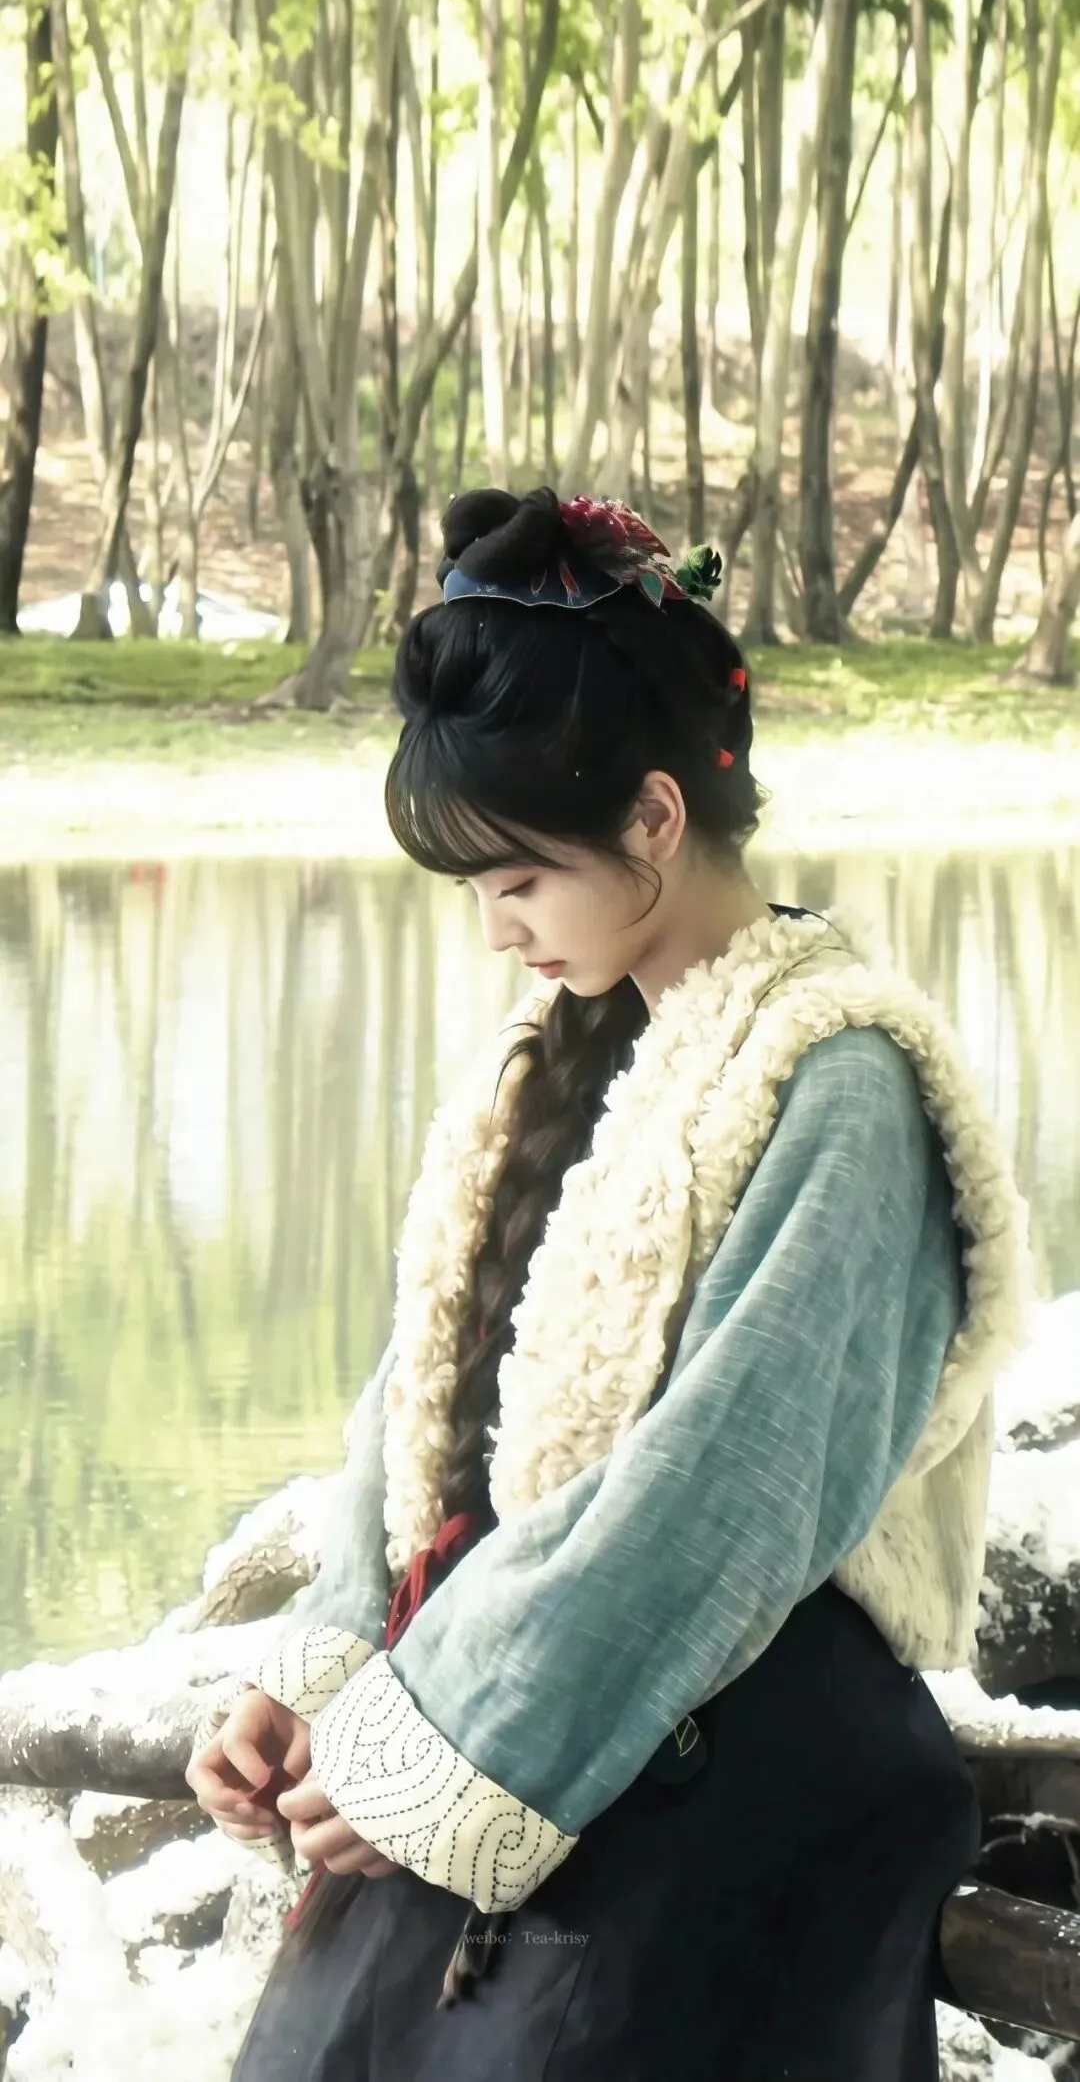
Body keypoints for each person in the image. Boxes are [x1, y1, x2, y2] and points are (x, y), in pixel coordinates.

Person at [187, 484, 1033, 2082]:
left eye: (517, 881)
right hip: (499, 1700)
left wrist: (441, 1735)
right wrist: (329, 1671)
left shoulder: (841, 1075)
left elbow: (729, 1484)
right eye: (476, 892)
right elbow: (419, 1410)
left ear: (653, 818)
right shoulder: (556, 1049)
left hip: (725, 1750)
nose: (496, 932)